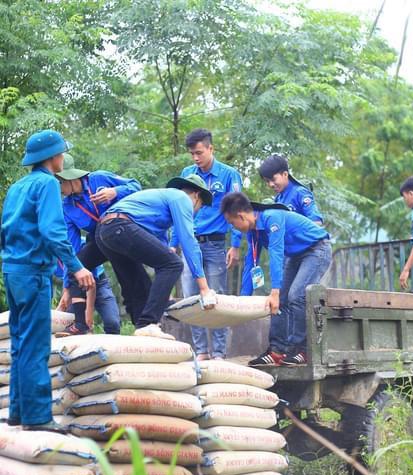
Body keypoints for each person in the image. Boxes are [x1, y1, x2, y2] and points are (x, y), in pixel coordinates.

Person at [1, 130, 94, 433]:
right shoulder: (47, 185)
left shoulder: (18, 187)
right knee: (37, 345)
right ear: (54, 157)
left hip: (12, 270)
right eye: (61, 153)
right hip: (33, 273)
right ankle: (38, 416)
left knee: (20, 343)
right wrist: (76, 267)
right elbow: (52, 231)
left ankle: (18, 412)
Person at [221, 192, 332, 367]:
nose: (234, 227)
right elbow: (251, 261)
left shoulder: (272, 217)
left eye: (232, 223)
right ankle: (276, 351)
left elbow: (276, 253)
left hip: (317, 249)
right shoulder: (253, 232)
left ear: (241, 216)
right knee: (280, 300)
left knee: (296, 295)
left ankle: (301, 350)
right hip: (296, 255)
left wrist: (275, 290)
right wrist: (243, 298)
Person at [95, 174, 217, 332]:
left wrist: (166, 297)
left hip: (104, 232)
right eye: (200, 206)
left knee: (137, 283)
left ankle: (141, 330)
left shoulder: (158, 212)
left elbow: (162, 255)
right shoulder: (181, 197)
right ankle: (148, 323)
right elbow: (188, 241)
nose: (196, 211)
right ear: (196, 195)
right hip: (120, 225)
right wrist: (204, 289)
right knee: (174, 264)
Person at [171, 128, 243, 360]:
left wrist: (236, 244)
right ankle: (201, 351)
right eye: (192, 153)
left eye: (199, 152)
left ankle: (219, 352)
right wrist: (173, 244)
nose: (195, 158)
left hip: (214, 245)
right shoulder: (187, 174)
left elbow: (237, 210)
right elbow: (178, 211)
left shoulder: (229, 175)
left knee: (215, 298)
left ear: (211, 149)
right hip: (189, 245)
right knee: (192, 299)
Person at [55, 154, 147, 335]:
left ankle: (144, 327)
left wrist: (115, 192)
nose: (59, 188)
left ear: (69, 178)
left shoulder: (98, 178)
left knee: (132, 285)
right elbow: (72, 248)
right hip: (100, 240)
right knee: (77, 265)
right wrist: (67, 288)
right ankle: (80, 325)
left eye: (59, 182)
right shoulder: (67, 207)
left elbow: (136, 186)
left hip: (124, 233)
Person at [55, 249, 121, 334]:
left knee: (112, 323)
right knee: (70, 324)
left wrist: (88, 312)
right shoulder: (53, 263)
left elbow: (91, 283)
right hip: (76, 289)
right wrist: (61, 307)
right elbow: (67, 284)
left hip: (98, 284)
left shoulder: (80, 246)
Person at [258, 154, 323, 223]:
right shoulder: (278, 199)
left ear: (285, 174)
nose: (271, 184)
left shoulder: (300, 192)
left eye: (273, 179)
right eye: (267, 181)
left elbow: (317, 221)